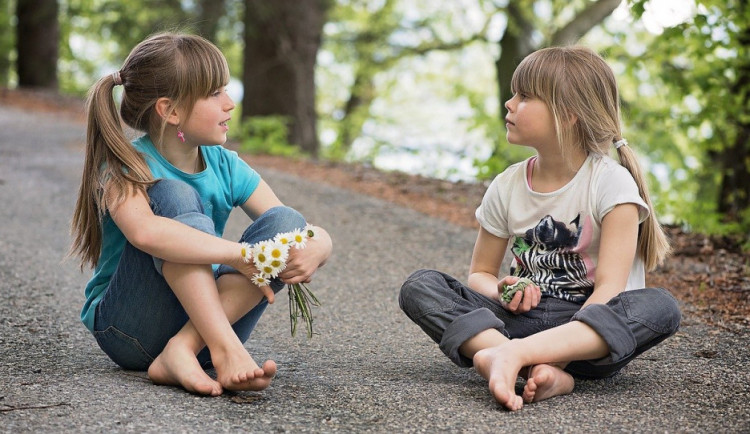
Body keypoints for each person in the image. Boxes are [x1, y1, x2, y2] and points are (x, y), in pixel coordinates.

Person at [399, 46, 680, 411]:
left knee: (660, 307)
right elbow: (481, 273)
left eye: (525, 96)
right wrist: (503, 290)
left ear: (568, 115)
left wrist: (556, 357)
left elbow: (610, 290)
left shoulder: (611, 184)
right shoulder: (508, 184)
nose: (509, 104)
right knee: (421, 286)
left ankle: (504, 358)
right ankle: (517, 361)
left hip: (586, 339)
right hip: (516, 321)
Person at [69, 32, 332, 396]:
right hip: (131, 329)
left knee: (286, 223)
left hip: (207, 328)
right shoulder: (125, 166)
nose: (230, 104)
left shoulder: (225, 165)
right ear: (170, 110)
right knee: (174, 194)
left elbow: (291, 226)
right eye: (214, 94)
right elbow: (145, 234)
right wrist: (240, 255)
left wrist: (320, 244)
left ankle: (185, 349)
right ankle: (222, 348)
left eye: (226, 90)